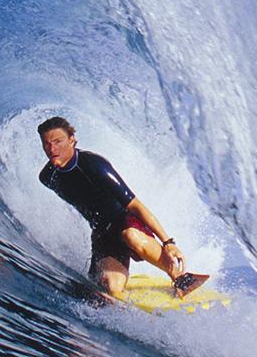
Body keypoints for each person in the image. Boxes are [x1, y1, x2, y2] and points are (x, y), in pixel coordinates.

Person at [37, 116, 208, 300]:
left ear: (72, 140)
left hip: (127, 222)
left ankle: (180, 278)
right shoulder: (48, 177)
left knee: (130, 236)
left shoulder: (95, 165)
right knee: (110, 287)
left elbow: (135, 205)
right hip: (103, 232)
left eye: (58, 142)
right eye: (46, 144)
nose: (52, 149)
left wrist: (168, 242)